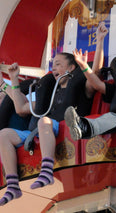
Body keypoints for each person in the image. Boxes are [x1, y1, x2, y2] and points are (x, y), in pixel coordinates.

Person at [0, 22, 107, 206]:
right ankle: (12, 185)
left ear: (71, 68)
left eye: (58, 64)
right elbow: (20, 108)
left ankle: (47, 171)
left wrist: (99, 42)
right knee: (4, 135)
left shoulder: (82, 88)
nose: (54, 68)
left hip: (62, 127)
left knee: (44, 122)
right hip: (38, 131)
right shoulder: (48, 92)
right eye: (53, 65)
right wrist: (15, 79)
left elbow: (95, 71)